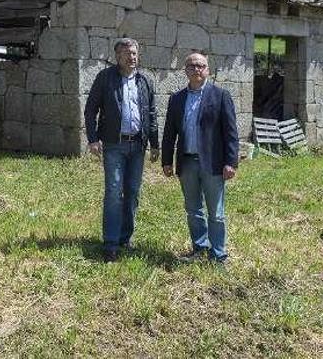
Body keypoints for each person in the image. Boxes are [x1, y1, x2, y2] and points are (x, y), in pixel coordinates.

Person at [84, 38, 159, 262]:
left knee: (133, 192)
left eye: (135, 53)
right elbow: (90, 110)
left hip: (138, 144)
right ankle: (110, 243)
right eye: (127, 53)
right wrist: (93, 139)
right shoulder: (105, 78)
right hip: (114, 144)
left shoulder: (145, 80)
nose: (132, 57)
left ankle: (125, 238)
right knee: (114, 192)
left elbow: (152, 113)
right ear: (117, 56)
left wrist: (154, 143)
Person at [161, 51, 239, 264]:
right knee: (193, 210)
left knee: (216, 213)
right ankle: (200, 248)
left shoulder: (220, 95)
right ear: (185, 70)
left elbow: (231, 132)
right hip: (187, 163)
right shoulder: (177, 99)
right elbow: (169, 132)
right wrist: (167, 160)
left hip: (213, 163)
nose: (196, 69)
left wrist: (231, 162)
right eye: (192, 66)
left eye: (201, 66)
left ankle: (218, 254)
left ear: (208, 70)